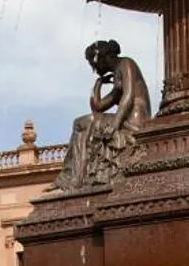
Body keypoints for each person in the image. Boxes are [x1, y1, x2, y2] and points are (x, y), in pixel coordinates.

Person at [54, 39, 150, 190]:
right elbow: (97, 106)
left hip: (134, 121)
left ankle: (74, 177)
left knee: (82, 123)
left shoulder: (126, 64)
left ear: (101, 58)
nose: (94, 69)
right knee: (80, 123)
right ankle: (75, 175)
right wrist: (99, 83)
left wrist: (115, 124)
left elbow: (128, 97)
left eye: (94, 65)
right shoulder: (117, 73)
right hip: (124, 118)